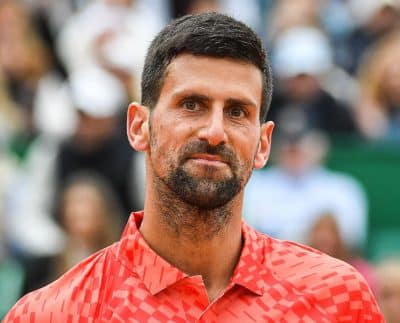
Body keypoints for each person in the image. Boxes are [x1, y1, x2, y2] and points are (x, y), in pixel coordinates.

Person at [4, 12, 383, 322]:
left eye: (237, 112)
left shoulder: (336, 298)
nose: (215, 131)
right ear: (139, 127)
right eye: (191, 105)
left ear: (264, 143)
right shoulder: (55, 314)